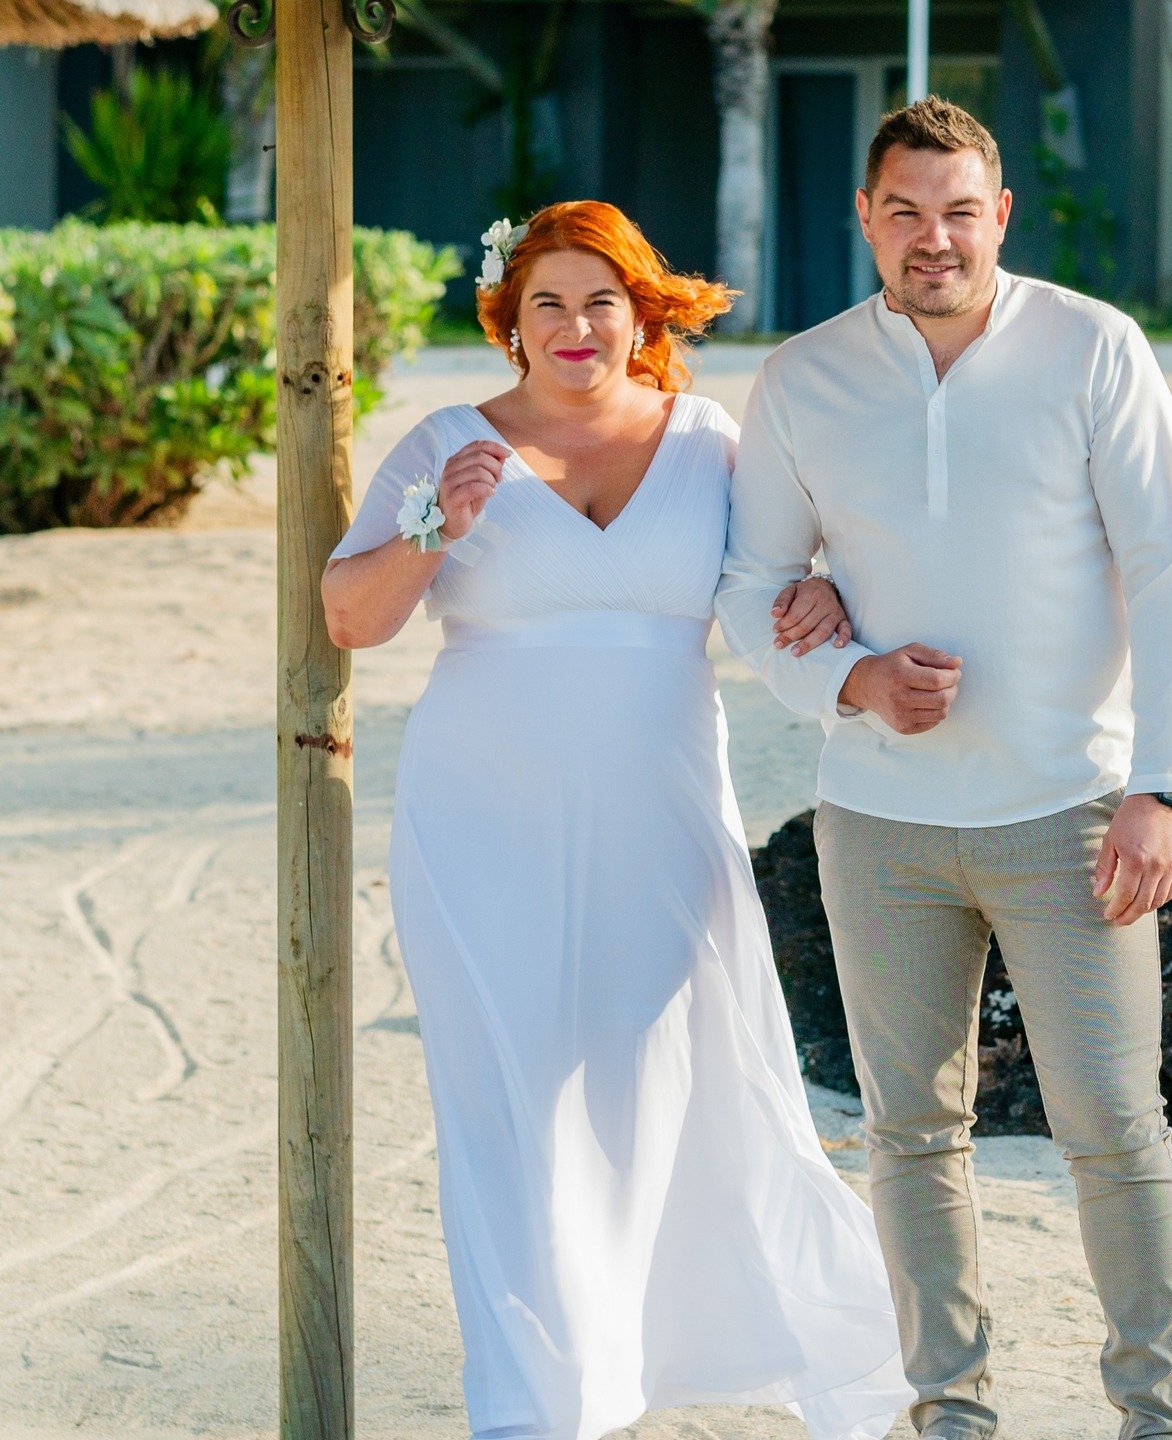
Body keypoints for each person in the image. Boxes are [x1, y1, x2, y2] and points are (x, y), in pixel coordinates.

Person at [320, 200, 912, 1440]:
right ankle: (545, 1405)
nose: (576, 326)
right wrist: (440, 528)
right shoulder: (447, 443)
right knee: (515, 1106)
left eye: (601, 299)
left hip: (664, 814)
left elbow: (769, 583)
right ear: (510, 319)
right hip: (482, 821)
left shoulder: (709, 441)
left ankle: (768, 1347)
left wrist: (816, 595)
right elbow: (349, 615)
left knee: (697, 1076)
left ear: (644, 311)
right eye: (548, 302)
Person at [715, 98, 1172, 1440]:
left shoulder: (1095, 349)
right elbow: (752, 580)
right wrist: (849, 677)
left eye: (957, 212)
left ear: (1000, 216)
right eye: (903, 213)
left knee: (1114, 1128)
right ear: (867, 220)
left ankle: (1158, 1417)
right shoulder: (804, 377)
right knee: (911, 1133)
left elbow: (1170, 578)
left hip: (1072, 812)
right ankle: (952, 1412)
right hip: (878, 821)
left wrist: (1161, 785)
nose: (931, 239)